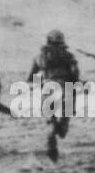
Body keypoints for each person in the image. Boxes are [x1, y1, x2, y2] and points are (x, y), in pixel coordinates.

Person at [28, 29, 80, 162]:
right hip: (66, 87)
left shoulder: (40, 56)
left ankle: (52, 137)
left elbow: (31, 77)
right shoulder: (69, 56)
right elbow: (75, 73)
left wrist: (40, 85)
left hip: (47, 88)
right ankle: (59, 128)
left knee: (50, 119)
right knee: (64, 123)